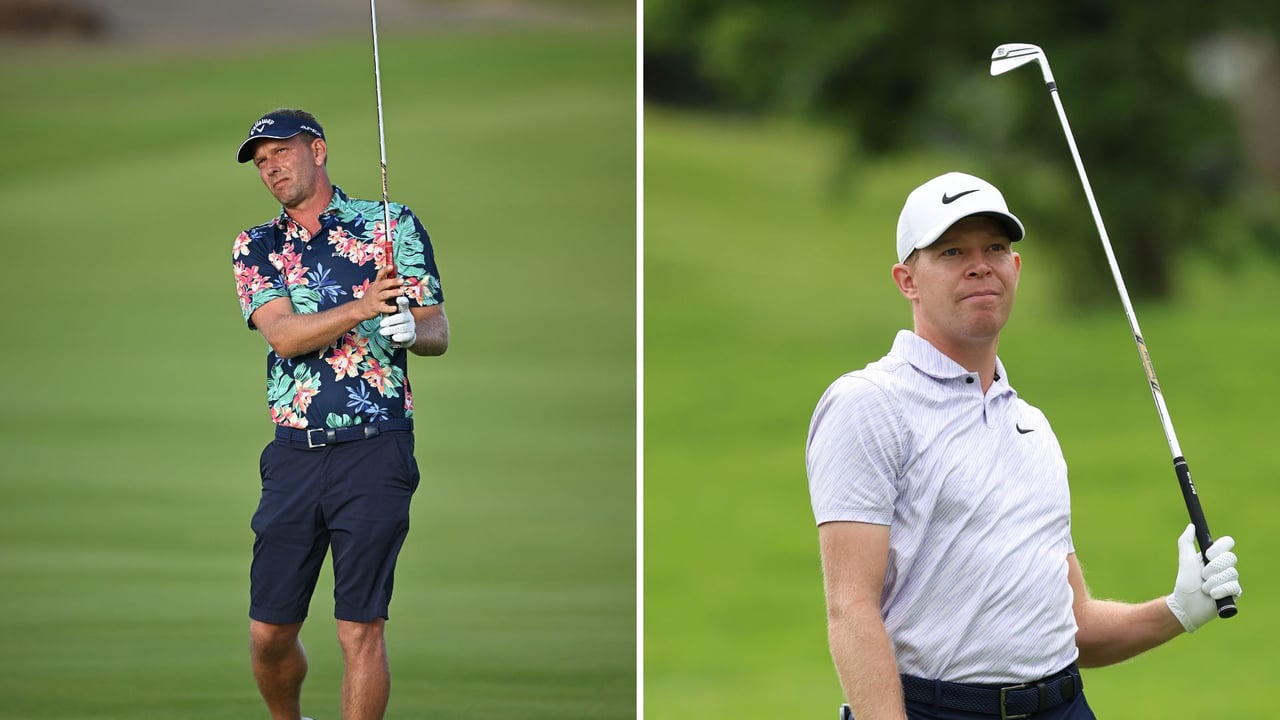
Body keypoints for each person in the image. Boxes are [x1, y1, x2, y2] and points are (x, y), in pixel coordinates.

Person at [805, 171, 1242, 720]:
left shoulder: (1032, 427)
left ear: (1015, 268)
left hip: (1064, 707)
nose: (979, 264)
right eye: (950, 251)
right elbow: (851, 610)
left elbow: (1071, 626)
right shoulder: (870, 405)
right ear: (906, 280)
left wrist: (1180, 610)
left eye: (995, 247)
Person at [231, 108, 449, 720]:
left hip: (377, 448)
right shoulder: (257, 244)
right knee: (269, 633)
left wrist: (412, 329)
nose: (271, 168)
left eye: (281, 152)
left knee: (360, 628)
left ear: (318, 150)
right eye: (261, 161)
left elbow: (438, 328)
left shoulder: (392, 224)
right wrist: (364, 308)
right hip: (294, 453)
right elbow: (284, 336)